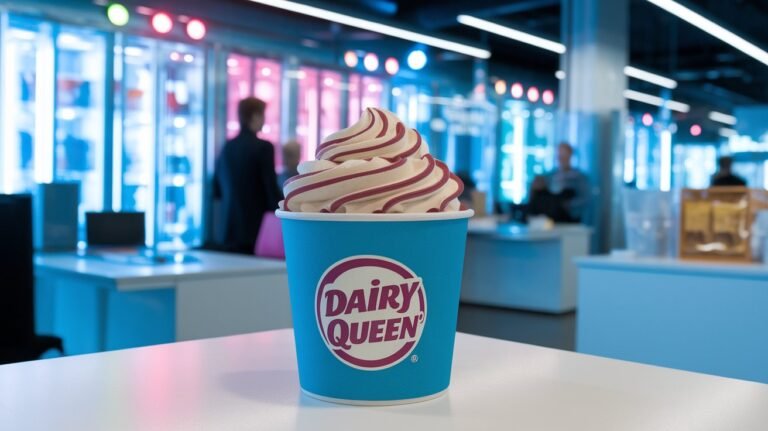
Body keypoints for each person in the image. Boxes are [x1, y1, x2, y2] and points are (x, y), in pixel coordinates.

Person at [213, 97, 281, 254]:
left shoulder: (227, 147)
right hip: (255, 230)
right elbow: (270, 189)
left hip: (228, 231)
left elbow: (216, 190)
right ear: (255, 116)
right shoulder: (264, 147)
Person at [546, 142, 590, 222]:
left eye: (564, 154)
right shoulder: (551, 176)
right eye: (560, 154)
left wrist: (569, 204)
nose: (561, 158)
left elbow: (585, 198)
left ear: (570, 155)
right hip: (552, 219)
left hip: (572, 219)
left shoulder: (579, 177)